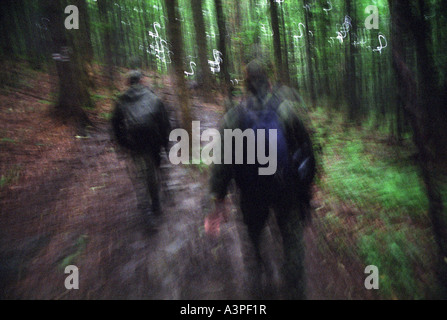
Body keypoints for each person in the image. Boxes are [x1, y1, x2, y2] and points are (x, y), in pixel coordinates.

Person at [206, 60, 316, 299]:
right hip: (285, 191)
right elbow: (306, 150)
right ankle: (295, 289)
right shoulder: (287, 110)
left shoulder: (233, 118)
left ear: (245, 86)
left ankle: (259, 278)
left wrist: (218, 198)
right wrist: (308, 186)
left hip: (251, 195)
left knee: (254, 237)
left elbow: (222, 163)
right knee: (292, 241)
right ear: (269, 82)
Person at [112, 71, 171, 226]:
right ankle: (156, 205)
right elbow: (164, 124)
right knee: (151, 173)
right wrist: (166, 145)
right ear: (141, 80)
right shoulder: (153, 97)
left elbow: (115, 125)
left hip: (135, 144)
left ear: (128, 82)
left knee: (140, 177)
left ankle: (146, 212)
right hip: (152, 143)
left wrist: (123, 144)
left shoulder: (121, 100)